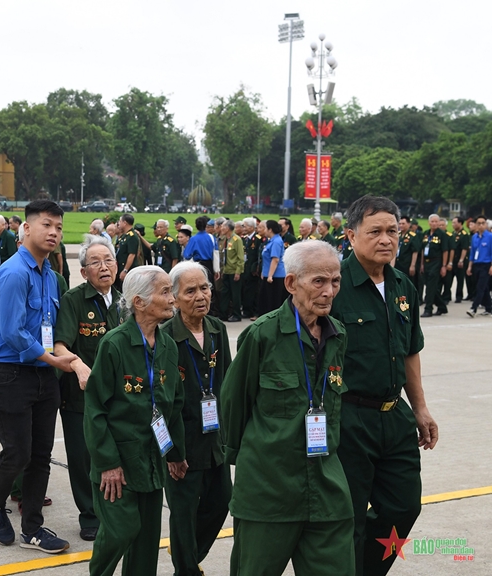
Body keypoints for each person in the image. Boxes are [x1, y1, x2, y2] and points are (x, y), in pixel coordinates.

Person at [221, 240, 354, 576]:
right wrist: (248, 458)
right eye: (319, 281)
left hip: (326, 489)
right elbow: (234, 403)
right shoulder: (261, 335)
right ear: (292, 283)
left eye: (335, 281)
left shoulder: (338, 337)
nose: (328, 292)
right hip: (269, 492)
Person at [331, 196, 437, 575]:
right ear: (350, 234)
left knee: (404, 506)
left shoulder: (401, 284)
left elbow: (410, 352)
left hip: (395, 417)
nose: (386, 239)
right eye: (374, 231)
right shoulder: (335, 287)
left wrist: (420, 408)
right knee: (350, 517)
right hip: (350, 419)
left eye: (392, 231)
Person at [0, 200, 76, 553]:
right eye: (47, 225)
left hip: (43, 375)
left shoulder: (51, 277)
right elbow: (12, 331)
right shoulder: (14, 272)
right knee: (17, 453)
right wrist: (53, 359)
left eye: (59, 228)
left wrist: (58, 359)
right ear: (26, 229)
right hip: (8, 374)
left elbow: (50, 328)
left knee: (41, 455)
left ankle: (33, 528)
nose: (54, 233)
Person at [84, 266, 186, 576]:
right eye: (165, 292)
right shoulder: (115, 344)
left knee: (145, 541)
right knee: (121, 531)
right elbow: (95, 408)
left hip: (152, 459)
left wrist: (175, 454)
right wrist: (107, 464)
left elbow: (174, 405)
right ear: (139, 302)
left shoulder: (167, 346)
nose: (173, 299)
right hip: (119, 461)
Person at [162, 262, 231, 576]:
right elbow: (157, 402)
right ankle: (186, 569)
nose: (201, 296)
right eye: (190, 291)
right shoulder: (165, 337)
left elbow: (227, 385)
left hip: (214, 437)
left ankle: (188, 555)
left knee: (221, 501)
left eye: (204, 288)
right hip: (182, 442)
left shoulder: (217, 329)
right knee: (183, 512)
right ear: (174, 299)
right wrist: (170, 452)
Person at [53, 234, 121, 542]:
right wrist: (79, 365)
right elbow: (59, 347)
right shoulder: (74, 300)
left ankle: (114, 509)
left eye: (108, 260)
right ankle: (89, 514)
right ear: (84, 272)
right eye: (95, 262)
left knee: (115, 454)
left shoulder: (125, 300)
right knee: (83, 457)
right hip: (80, 395)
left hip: (120, 396)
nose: (104, 267)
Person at [420, 214, 449, 317]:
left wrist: (444, 266)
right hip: (426, 262)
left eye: (436, 221)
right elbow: (423, 249)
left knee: (431, 287)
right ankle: (442, 307)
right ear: (429, 222)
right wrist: (422, 264)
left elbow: (445, 251)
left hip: (436, 262)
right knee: (430, 286)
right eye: (432, 221)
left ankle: (428, 309)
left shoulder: (442, 234)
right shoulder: (426, 234)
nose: (434, 223)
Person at [259, 219, 287, 315]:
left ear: (270, 229)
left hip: (275, 276)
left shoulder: (276, 241)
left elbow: (275, 259)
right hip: (268, 274)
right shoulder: (271, 241)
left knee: (272, 301)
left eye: (266, 228)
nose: (264, 230)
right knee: (265, 300)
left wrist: (270, 275)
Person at [466, 215, 492, 317]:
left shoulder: (490, 237)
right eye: (479, 223)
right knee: (483, 287)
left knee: (480, 287)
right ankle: (489, 307)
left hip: (486, 264)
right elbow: (472, 253)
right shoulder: (474, 237)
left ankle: (474, 308)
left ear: (486, 225)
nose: (481, 225)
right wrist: (469, 266)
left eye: (483, 223)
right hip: (476, 264)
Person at [219, 219, 244, 322]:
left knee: (235, 294)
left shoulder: (236, 239)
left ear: (228, 228)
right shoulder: (225, 239)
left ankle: (237, 314)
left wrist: (238, 271)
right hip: (226, 270)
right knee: (225, 293)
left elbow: (240, 257)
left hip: (234, 271)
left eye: (223, 227)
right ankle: (223, 314)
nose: (221, 229)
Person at [241, 218, 263, 320]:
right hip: (245, 268)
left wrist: (255, 267)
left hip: (253, 270)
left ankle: (254, 311)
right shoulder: (245, 238)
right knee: (246, 290)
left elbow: (258, 255)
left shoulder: (258, 239)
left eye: (244, 226)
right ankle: (247, 310)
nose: (243, 228)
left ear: (251, 227)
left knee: (253, 291)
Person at [114, 214, 139, 291]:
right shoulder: (124, 236)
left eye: (120, 221)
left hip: (126, 270)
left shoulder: (132, 237)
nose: (119, 223)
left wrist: (125, 270)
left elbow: (132, 255)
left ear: (125, 223)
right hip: (120, 268)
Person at [395, 216, 421, 290]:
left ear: (409, 224)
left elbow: (415, 252)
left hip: (407, 264)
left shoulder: (413, 236)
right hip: (398, 263)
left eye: (403, 223)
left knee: (408, 284)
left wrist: (412, 265)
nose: (401, 225)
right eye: (400, 224)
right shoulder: (398, 235)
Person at [451, 217, 471, 303]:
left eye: (455, 223)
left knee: (460, 279)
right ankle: (447, 295)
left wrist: (461, 260)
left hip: (460, 259)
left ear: (460, 223)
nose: (453, 224)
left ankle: (459, 295)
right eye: (452, 223)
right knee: (449, 278)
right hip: (453, 259)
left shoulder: (464, 235)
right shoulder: (453, 234)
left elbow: (464, 248)